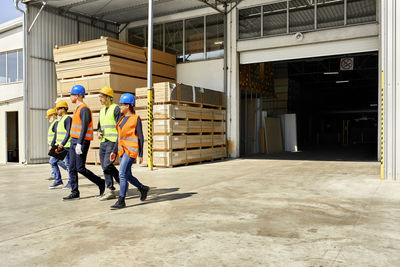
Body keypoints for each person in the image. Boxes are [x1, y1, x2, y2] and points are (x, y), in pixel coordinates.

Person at [63, 85, 105, 201]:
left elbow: (84, 127)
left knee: (80, 168)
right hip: (74, 141)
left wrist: (80, 143)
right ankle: (74, 192)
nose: (70, 97)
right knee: (71, 168)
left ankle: (100, 182)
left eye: (71, 94)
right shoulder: (77, 109)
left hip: (81, 142)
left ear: (77, 96)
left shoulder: (84, 109)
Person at [109, 93, 149, 209]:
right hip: (122, 151)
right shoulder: (121, 120)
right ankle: (142, 188)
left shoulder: (135, 119)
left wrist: (141, 154)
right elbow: (119, 137)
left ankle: (121, 200)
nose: (120, 107)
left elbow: (141, 137)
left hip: (131, 151)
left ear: (128, 106)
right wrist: (114, 151)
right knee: (127, 175)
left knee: (121, 174)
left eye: (122, 105)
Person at [97, 86, 121, 201]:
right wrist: (99, 132)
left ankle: (112, 188)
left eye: (102, 96)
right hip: (103, 141)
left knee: (107, 164)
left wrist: (118, 143)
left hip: (112, 141)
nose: (100, 99)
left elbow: (119, 126)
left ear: (108, 97)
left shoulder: (116, 108)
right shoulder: (102, 110)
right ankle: (118, 184)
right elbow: (100, 126)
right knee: (105, 166)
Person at [51, 100, 72, 190]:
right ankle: (58, 180)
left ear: (63, 109)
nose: (57, 111)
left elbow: (68, 132)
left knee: (68, 165)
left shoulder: (68, 118)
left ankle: (71, 182)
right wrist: (53, 145)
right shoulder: (60, 120)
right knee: (52, 161)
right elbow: (57, 134)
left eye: (58, 109)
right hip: (59, 146)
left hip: (66, 146)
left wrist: (62, 144)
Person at [46, 107, 67, 184]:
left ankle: (59, 178)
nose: (48, 118)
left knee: (53, 161)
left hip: (56, 145)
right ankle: (56, 176)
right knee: (55, 161)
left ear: (52, 115)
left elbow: (55, 135)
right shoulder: (55, 123)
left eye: (48, 116)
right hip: (55, 145)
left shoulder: (56, 123)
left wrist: (51, 145)